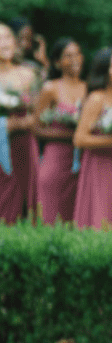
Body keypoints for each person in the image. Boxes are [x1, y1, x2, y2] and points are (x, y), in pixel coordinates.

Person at [72, 47, 112, 230]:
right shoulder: (96, 98)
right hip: (100, 166)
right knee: (102, 216)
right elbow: (79, 139)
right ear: (103, 69)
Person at [32, 38, 87, 225]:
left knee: (77, 219)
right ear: (57, 62)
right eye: (68, 56)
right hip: (55, 159)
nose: (74, 59)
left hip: (82, 161)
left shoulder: (88, 88)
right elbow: (36, 128)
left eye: (77, 54)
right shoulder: (50, 88)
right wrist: (69, 136)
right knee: (51, 216)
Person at [0, 22, 39, 224]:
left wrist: (24, 122)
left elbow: (38, 113)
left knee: (23, 198)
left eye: (7, 37)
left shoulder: (28, 74)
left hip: (22, 144)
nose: (4, 43)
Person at [9, 16, 49, 81]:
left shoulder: (32, 68)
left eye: (29, 40)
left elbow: (45, 83)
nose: (25, 44)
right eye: (20, 38)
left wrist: (44, 60)